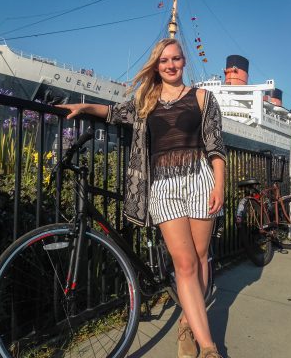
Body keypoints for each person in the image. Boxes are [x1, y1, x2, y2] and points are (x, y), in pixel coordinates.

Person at [58, 38, 226, 358]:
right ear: (156, 65)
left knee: (201, 258)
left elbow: (215, 146)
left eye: (176, 59)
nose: (170, 65)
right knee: (185, 264)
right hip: (162, 185)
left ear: (183, 62)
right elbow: (113, 113)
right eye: (164, 61)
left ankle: (189, 324)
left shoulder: (203, 98)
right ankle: (209, 347)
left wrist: (220, 185)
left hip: (200, 180)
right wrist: (83, 107)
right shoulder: (145, 100)